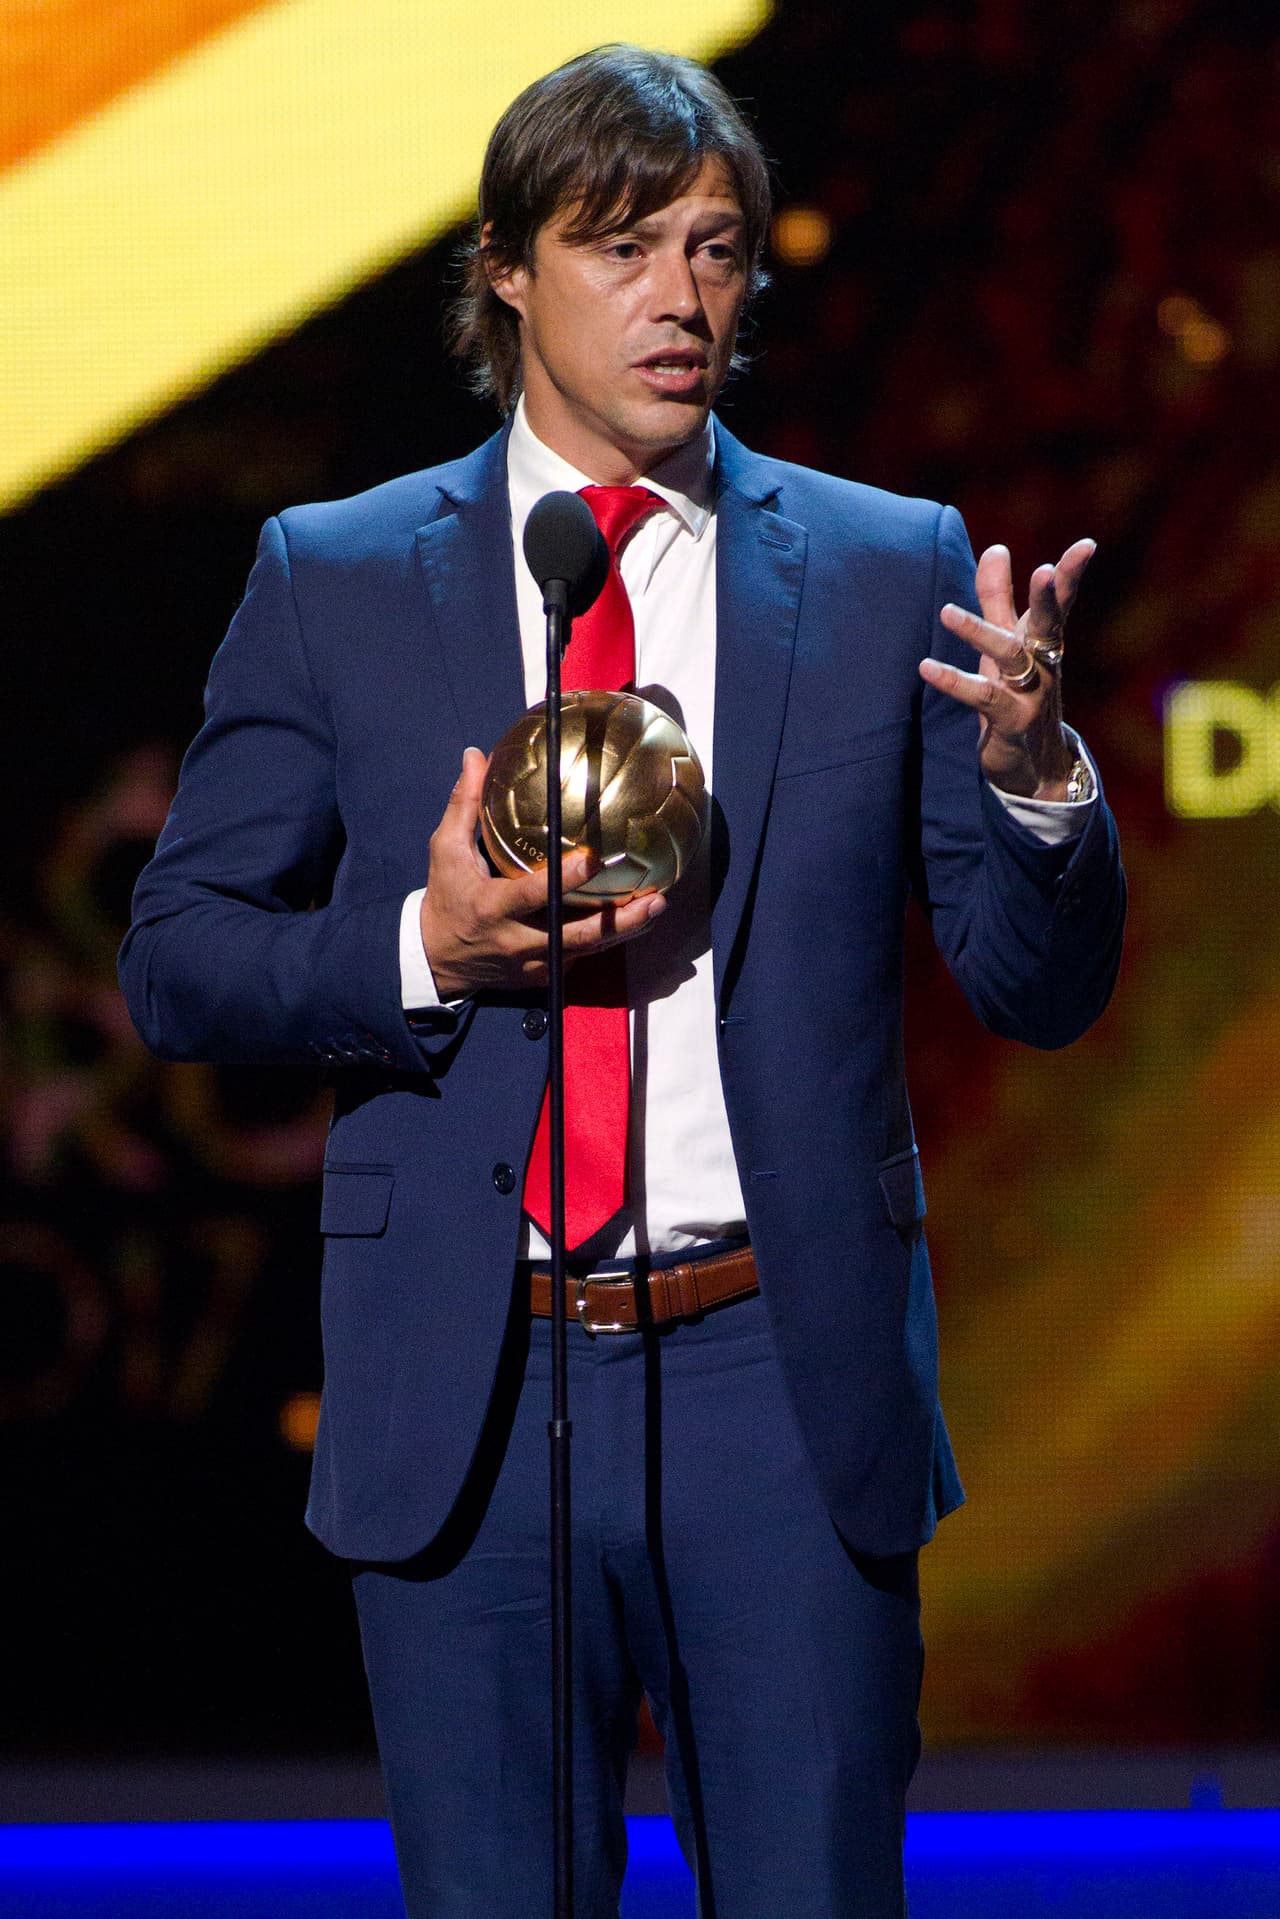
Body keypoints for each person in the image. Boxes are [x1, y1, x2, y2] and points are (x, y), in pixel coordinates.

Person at [119, 43, 1125, 1919]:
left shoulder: (882, 562)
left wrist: (1034, 783)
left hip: (779, 1377)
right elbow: (179, 963)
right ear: (505, 267)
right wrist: (425, 946)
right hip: (468, 1389)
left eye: (719, 249)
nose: (681, 297)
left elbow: (1032, 989)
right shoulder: (335, 576)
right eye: (621, 244)